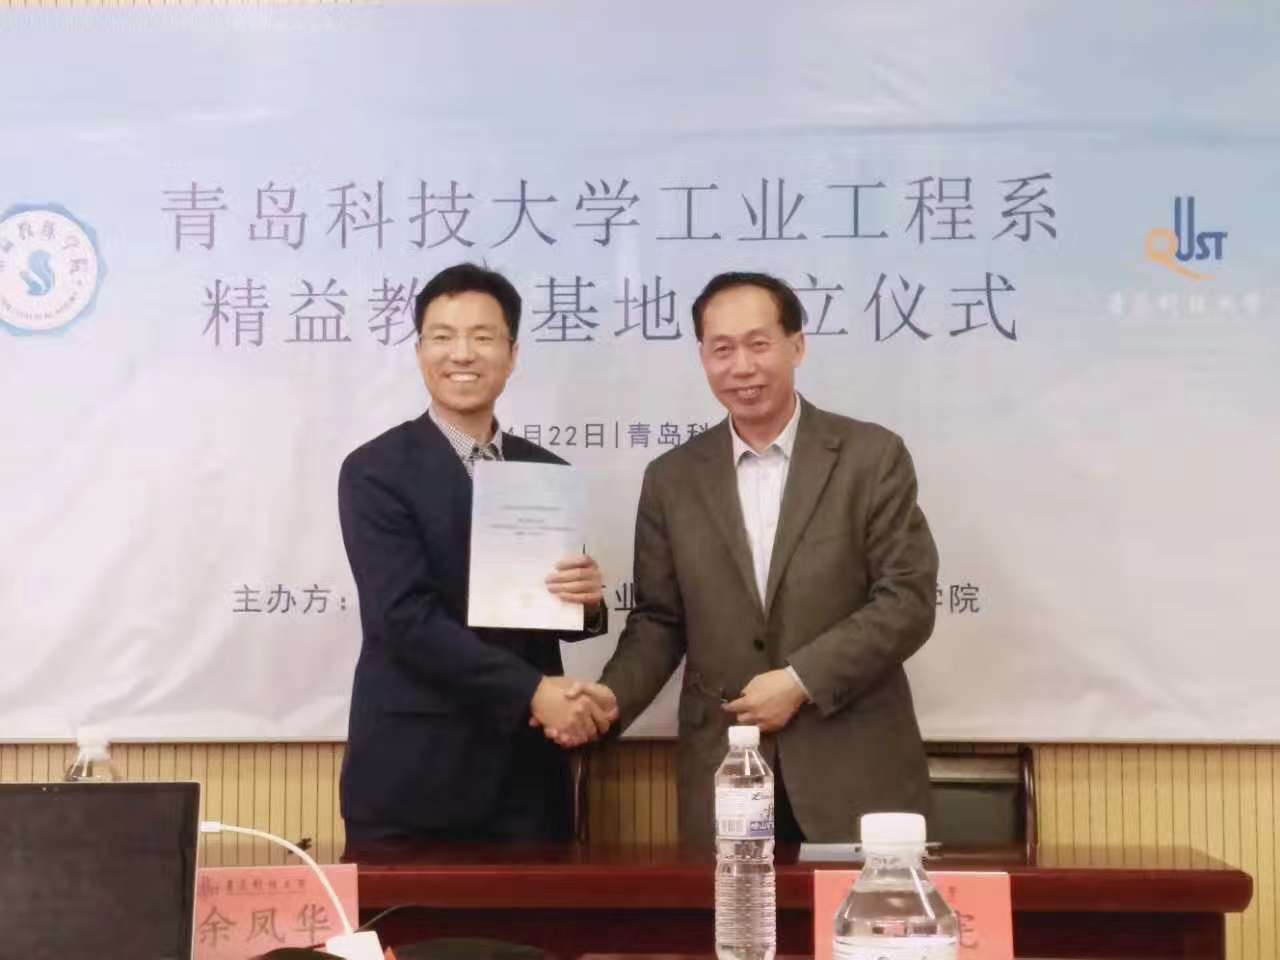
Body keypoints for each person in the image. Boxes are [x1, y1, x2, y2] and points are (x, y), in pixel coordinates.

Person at [588, 271, 939, 846]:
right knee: (731, 911)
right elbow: (659, 621)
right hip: (725, 773)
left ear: (797, 346)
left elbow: (907, 601)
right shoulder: (671, 479)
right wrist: (607, 700)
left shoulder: (871, 457)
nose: (742, 366)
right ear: (703, 357)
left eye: (759, 344)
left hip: (853, 771)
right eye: (722, 349)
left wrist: (801, 681)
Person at [337, 263, 612, 844]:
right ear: (419, 351)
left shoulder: (546, 472)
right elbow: (403, 620)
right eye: (443, 336)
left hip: (527, 779)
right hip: (413, 777)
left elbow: (546, 613)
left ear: (512, 354)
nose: (462, 354)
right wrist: (533, 691)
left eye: (483, 337)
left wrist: (585, 603)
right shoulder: (375, 471)